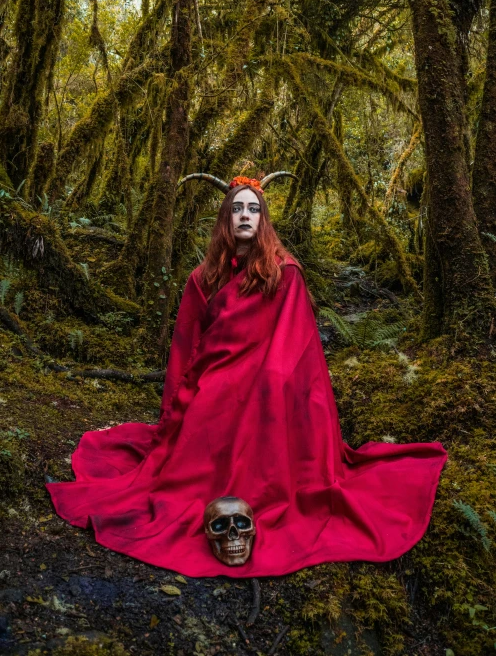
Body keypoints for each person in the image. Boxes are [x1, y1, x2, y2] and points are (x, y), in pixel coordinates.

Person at [47, 173, 447, 578]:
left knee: (259, 395)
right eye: (237, 208)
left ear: (263, 219)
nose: (245, 215)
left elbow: (298, 340)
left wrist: (269, 377)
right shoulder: (201, 277)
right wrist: (175, 406)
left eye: (253, 209)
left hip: (267, 373)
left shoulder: (284, 271)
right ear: (225, 218)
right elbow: (186, 345)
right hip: (216, 373)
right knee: (209, 402)